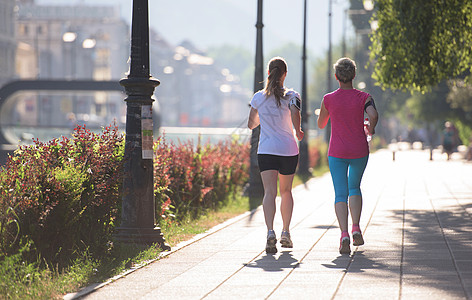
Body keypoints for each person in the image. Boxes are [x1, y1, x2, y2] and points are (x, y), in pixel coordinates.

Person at [317, 57, 378, 254]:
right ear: (354, 75)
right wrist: (371, 127)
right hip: (359, 150)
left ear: (336, 76)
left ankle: (343, 234)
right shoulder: (364, 97)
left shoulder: (328, 99)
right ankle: (356, 228)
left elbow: (321, 124)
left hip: (337, 152)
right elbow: (373, 115)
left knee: (340, 193)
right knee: (355, 187)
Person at [248, 56, 304, 254]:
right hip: (288, 149)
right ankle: (286, 232)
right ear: (285, 74)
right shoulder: (293, 95)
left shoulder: (258, 97)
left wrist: (264, 118)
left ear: (268, 72)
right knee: (286, 191)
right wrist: (297, 131)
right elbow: (295, 113)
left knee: (269, 192)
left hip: (266, 150)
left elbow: (250, 124)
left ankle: (270, 232)